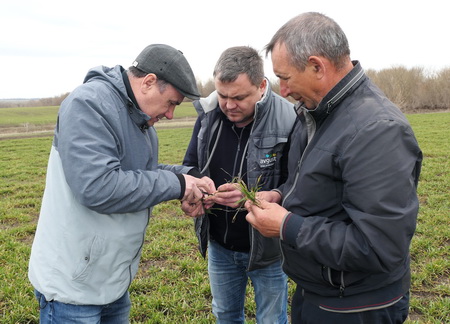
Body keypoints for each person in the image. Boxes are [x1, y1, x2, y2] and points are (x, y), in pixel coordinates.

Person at [244, 12, 423, 324]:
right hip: (320, 290)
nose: (281, 91)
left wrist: (287, 226)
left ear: (317, 66)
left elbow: (378, 247)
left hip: (357, 304)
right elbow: (310, 183)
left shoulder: (376, 130)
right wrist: (278, 195)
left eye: (284, 78)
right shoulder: (315, 113)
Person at [28, 44, 215, 323]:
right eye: (172, 103)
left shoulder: (141, 121)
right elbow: (98, 187)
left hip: (111, 281)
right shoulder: (89, 105)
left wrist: (190, 177)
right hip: (73, 288)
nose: (171, 114)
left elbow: (142, 173)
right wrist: (177, 184)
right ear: (149, 82)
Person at [182, 46, 295, 323]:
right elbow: (190, 166)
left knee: (271, 319)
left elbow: (300, 182)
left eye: (239, 97)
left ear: (262, 86)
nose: (229, 105)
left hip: (268, 249)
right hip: (220, 244)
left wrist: (256, 197)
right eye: (223, 95)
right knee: (226, 316)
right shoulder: (207, 117)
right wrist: (194, 193)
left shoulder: (290, 118)